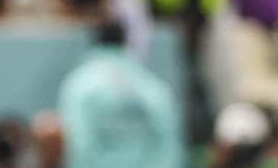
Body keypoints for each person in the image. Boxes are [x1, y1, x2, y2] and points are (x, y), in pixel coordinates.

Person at [57, 20, 185, 168]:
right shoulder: (152, 85)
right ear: (125, 41)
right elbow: (169, 146)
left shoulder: (79, 84)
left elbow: (79, 144)